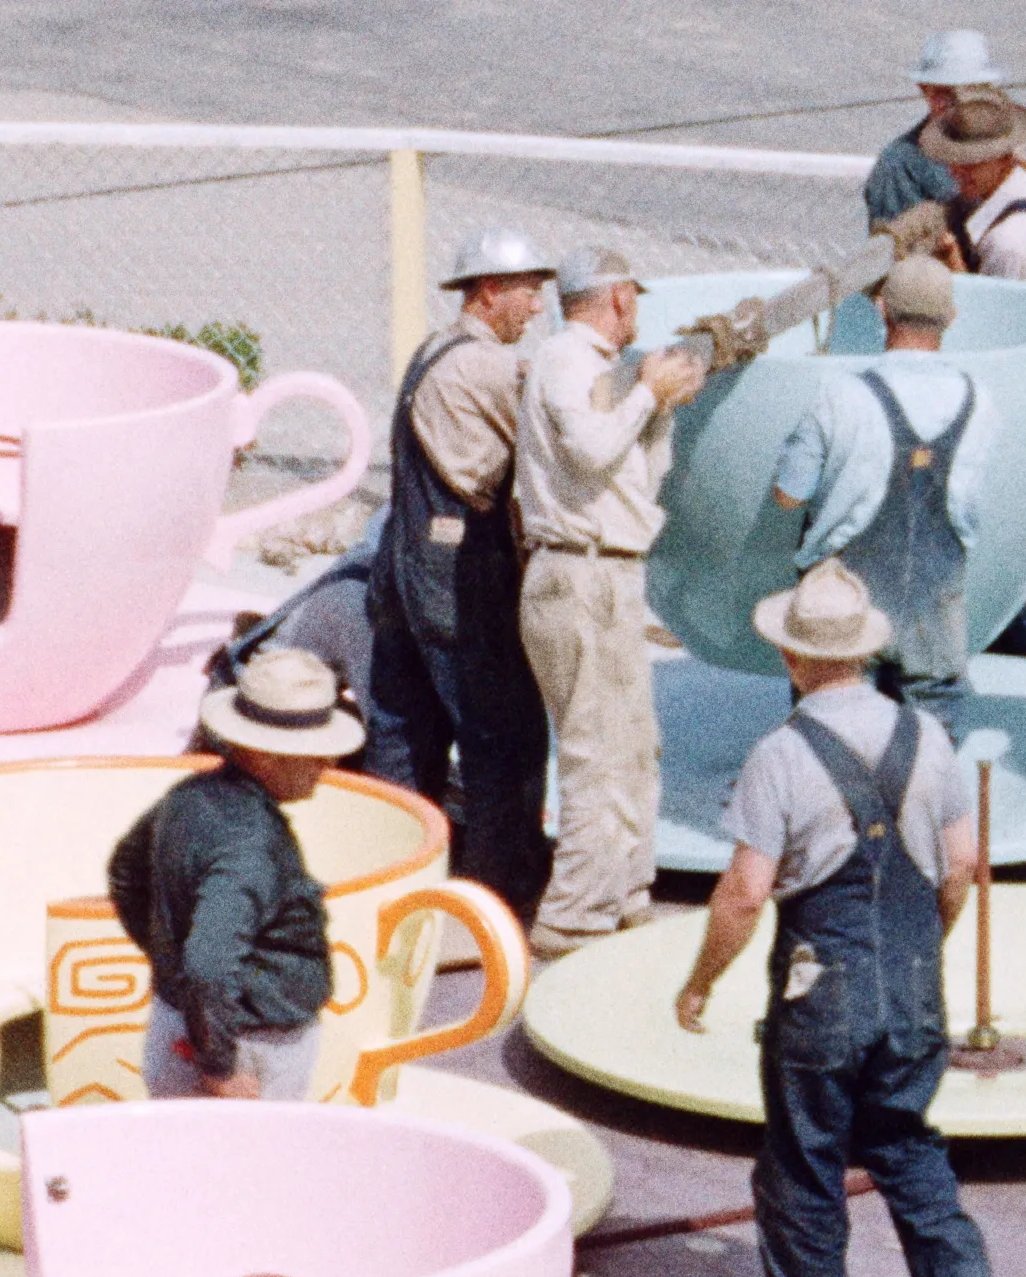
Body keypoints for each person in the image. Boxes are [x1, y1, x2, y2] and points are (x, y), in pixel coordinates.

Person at [674, 560, 998, 1277]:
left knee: (802, 1158)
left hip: (823, 987)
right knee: (905, 1138)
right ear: (865, 651)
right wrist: (929, 945)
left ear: (790, 657)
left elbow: (746, 894)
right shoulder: (929, 735)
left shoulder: (780, 754)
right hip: (913, 977)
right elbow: (962, 865)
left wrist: (702, 978)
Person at [360, 226, 558, 924]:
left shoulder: (430, 353)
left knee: (403, 736)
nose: (537, 311)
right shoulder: (485, 368)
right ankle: (497, 901)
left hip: (402, 573)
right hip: (458, 581)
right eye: (529, 295)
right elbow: (559, 430)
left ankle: (392, 880)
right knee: (503, 738)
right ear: (490, 291)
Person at [514, 247, 705, 958]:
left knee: (634, 748)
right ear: (620, 298)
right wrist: (648, 397)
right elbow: (592, 451)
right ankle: (574, 918)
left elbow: (638, 479)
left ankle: (622, 895)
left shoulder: (600, 373)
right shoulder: (568, 360)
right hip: (580, 573)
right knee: (599, 752)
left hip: (607, 574)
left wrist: (658, 412)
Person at [109, 647, 362, 1099]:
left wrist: (170, 964)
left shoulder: (189, 796)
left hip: (181, 1022)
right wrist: (222, 1068)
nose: (329, 764)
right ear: (264, 756)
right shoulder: (252, 848)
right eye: (314, 753)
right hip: (250, 1046)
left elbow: (126, 874)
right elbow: (207, 963)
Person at [768, 255, 997, 738]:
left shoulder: (839, 396)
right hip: (935, 605)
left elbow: (787, 497)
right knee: (930, 750)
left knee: (836, 743)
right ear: (951, 318)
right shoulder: (981, 402)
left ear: (880, 310)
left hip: (845, 603)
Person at [917, 86, 1026, 665]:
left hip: (1025, 429)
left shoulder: (1018, 238)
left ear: (1001, 158)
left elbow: (996, 333)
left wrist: (953, 272)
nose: (956, 174)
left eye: (968, 164)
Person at [862, 30, 1006, 227]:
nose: (959, 102)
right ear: (924, 89)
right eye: (945, 92)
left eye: (969, 89)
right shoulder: (900, 166)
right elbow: (899, 249)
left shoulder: (1010, 150)